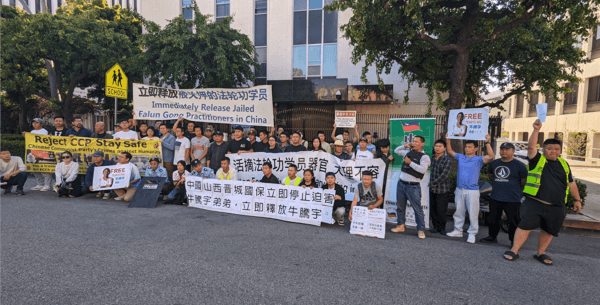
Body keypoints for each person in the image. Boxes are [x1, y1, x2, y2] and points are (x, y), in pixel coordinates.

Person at [503, 120, 582, 265]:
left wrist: (577, 199)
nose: (553, 151)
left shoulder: (564, 164)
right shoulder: (537, 159)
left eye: (556, 149)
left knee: (549, 229)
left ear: (560, 150)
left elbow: (571, 183)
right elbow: (531, 146)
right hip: (535, 202)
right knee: (525, 226)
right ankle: (514, 250)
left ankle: (541, 252)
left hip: (556, 205)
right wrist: (536, 130)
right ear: (544, 149)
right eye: (550, 148)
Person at [446, 134, 495, 243]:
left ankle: (472, 233)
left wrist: (487, 142)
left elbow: (491, 156)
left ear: (475, 149)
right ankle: (457, 230)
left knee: (473, 213)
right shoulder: (461, 157)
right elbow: (449, 151)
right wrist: (448, 138)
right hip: (459, 189)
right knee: (458, 211)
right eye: (466, 147)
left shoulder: (479, 159)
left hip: (472, 191)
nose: (467, 149)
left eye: (470, 147)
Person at [480, 142, 527, 245]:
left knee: (513, 221)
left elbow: (523, 181)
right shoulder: (494, 163)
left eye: (507, 149)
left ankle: (513, 241)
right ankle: (492, 236)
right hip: (495, 196)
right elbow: (491, 175)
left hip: (512, 198)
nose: (504, 151)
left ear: (513, 151)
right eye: (502, 149)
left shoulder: (520, 165)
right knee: (493, 219)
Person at [390, 136, 431, 239]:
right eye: (413, 141)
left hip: (413, 186)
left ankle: (421, 229)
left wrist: (410, 163)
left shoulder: (425, 157)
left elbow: (422, 170)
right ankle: (400, 225)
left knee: (417, 209)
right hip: (401, 184)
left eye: (416, 141)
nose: (414, 143)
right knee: (400, 206)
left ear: (422, 144)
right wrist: (405, 146)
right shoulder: (408, 152)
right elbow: (396, 150)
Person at [428, 139, 452, 235]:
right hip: (432, 189)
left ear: (444, 148)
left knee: (441, 210)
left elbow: (444, 175)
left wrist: (432, 183)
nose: (437, 148)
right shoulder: (431, 158)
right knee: (433, 209)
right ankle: (435, 227)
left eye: (440, 146)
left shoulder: (447, 160)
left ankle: (442, 228)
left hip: (443, 190)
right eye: (436, 146)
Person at [25, 118, 52, 192]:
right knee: (35, 169)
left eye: (37, 123)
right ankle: (40, 184)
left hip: (43, 152)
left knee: (44, 169)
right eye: (33, 123)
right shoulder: (32, 131)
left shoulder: (44, 131)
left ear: (41, 124)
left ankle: (47, 185)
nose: (35, 124)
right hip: (33, 152)